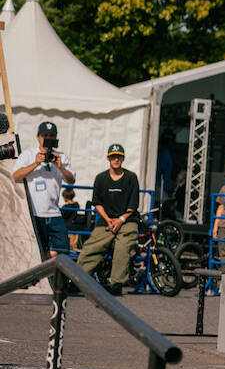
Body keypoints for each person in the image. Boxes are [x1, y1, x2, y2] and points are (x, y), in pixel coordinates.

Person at [76, 145, 140, 296]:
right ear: (108, 158)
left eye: (119, 156)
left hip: (127, 220)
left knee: (122, 247)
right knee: (91, 247)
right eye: (113, 157)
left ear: (123, 158)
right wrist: (108, 220)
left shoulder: (131, 177)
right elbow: (97, 203)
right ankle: (77, 280)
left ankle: (116, 284)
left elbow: (133, 204)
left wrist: (120, 220)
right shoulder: (101, 178)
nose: (116, 159)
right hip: (106, 220)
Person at [13, 121, 76, 258]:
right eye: (45, 135)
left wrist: (60, 167)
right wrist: (36, 163)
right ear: (38, 137)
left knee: (61, 250)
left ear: (56, 138)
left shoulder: (61, 156)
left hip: (54, 212)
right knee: (34, 250)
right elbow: (15, 176)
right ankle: (42, 265)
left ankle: (45, 263)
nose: (48, 138)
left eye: (51, 136)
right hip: (34, 213)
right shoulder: (29, 154)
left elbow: (71, 180)